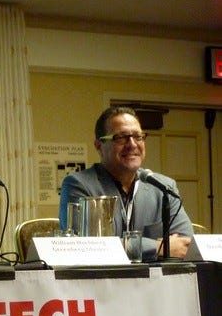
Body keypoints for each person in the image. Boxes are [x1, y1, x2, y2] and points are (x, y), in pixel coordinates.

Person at [59, 106, 193, 261]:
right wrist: (158, 246)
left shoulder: (163, 187)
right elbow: (87, 248)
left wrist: (121, 246)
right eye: (121, 137)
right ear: (99, 145)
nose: (132, 144)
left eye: (138, 136)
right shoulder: (79, 185)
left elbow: (184, 244)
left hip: (156, 276)